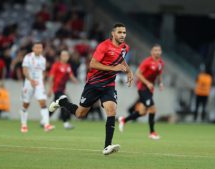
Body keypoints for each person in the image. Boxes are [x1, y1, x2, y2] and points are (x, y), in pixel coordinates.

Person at [49, 23, 133, 155]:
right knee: (80, 114)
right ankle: (62, 102)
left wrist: (129, 71)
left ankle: (107, 146)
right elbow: (93, 64)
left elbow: (121, 60)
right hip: (94, 84)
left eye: (124, 32)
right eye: (119, 32)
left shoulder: (125, 48)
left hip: (109, 86)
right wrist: (113, 68)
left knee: (112, 110)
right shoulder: (104, 46)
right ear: (113, 33)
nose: (122, 35)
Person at [118, 44, 165, 140]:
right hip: (142, 89)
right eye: (155, 50)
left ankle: (123, 120)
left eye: (159, 50)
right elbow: (138, 73)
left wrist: (160, 83)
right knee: (152, 109)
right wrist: (147, 83)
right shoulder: (147, 62)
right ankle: (152, 132)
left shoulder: (161, 63)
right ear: (152, 52)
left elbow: (159, 74)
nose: (157, 52)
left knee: (143, 112)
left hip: (150, 90)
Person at [20, 42, 54, 133]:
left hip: (39, 84)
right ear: (33, 48)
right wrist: (30, 80)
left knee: (43, 102)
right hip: (28, 83)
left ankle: (46, 125)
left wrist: (42, 82)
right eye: (37, 47)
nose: (39, 49)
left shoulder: (43, 59)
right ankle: (23, 125)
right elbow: (24, 70)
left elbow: (43, 72)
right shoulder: (28, 57)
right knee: (25, 104)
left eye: (40, 48)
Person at [48, 50, 78, 129]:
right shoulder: (56, 65)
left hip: (62, 90)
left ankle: (45, 120)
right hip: (57, 89)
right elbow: (51, 77)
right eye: (64, 55)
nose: (65, 57)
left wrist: (76, 81)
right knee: (65, 103)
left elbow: (71, 76)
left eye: (67, 55)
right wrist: (49, 89)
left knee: (55, 105)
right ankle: (66, 123)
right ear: (60, 56)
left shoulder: (68, 66)